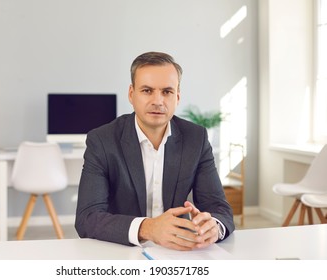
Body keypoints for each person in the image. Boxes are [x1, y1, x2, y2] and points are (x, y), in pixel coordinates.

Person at [75, 51, 234, 251]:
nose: (158, 101)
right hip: (122, 249)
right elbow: (87, 218)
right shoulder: (102, 140)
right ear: (131, 94)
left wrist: (214, 227)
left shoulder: (196, 138)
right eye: (147, 91)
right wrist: (148, 228)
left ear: (177, 97)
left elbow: (220, 209)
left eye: (167, 91)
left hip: (178, 251)